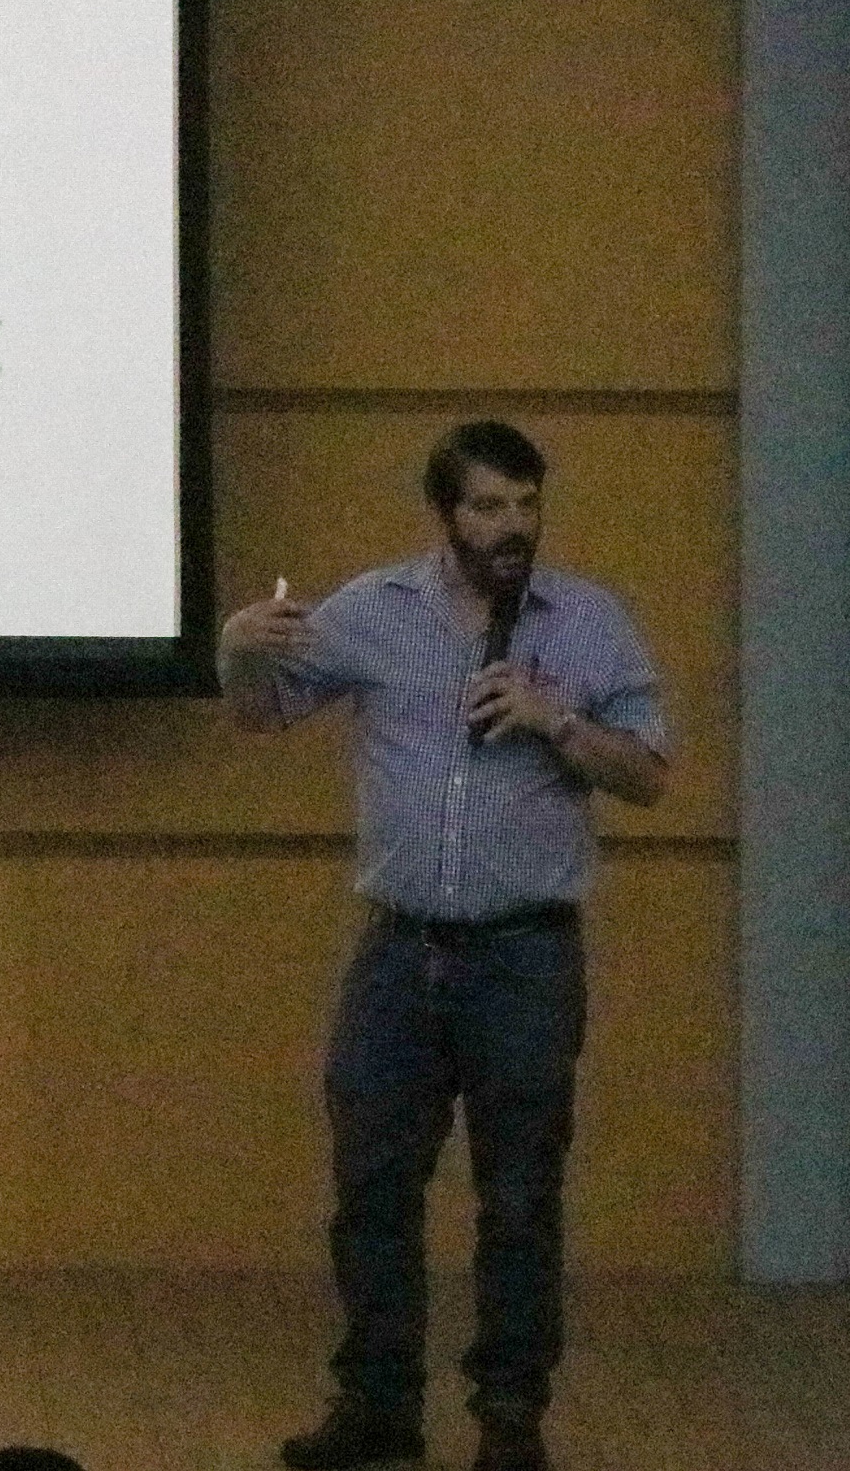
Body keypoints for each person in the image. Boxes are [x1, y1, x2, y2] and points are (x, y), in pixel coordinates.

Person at [218, 420, 668, 1471]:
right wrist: (238, 649)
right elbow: (263, 715)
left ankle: (509, 1416)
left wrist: (558, 720)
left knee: (519, 1196)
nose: (512, 526)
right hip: (399, 950)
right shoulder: (374, 610)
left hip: (526, 955)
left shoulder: (590, 621)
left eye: (526, 504)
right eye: (488, 506)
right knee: (373, 1188)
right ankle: (378, 1403)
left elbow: (650, 775)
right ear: (444, 514)